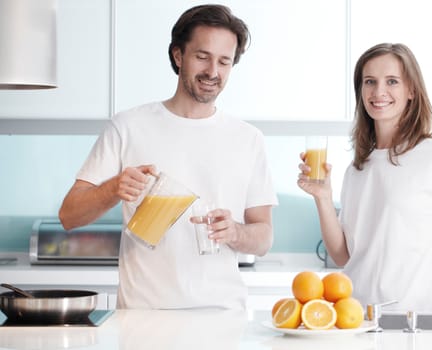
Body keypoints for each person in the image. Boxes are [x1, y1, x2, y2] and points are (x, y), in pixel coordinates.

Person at [59, 4, 277, 310]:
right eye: (202, 56)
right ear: (179, 55)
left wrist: (236, 232)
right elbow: (69, 215)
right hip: (142, 320)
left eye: (224, 61)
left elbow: (264, 236)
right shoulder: (128, 126)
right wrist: (113, 188)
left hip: (222, 319)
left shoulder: (248, 138)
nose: (213, 72)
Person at [297, 43, 432, 325]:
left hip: (418, 322)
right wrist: (323, 197)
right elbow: (344, 256)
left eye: (392, 81)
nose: (378, 92)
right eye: (369, 82)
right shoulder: (356, 168)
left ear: (411, 91)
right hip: (356, 320)